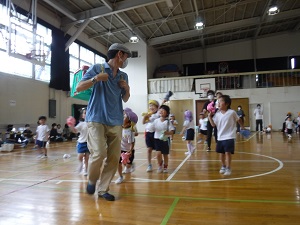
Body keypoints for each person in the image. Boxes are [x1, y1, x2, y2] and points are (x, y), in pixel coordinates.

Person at [76, 43, 131, 201]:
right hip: (96, 118)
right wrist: (95, 79)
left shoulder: (123, 76)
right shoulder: (97, 68)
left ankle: (103, 189)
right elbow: (79, 87)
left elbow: (125, 98)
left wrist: (127, 89)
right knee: (99, 153)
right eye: (126, 56)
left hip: (116, 121)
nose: (126, 60)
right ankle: (92, 180)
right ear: (120, 54)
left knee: (114, 158)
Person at [208, 95, 244, 176]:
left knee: (227, 152)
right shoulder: (217, 114)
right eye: (218, 102)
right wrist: (209, 117)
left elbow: (238, 119)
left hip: (230, 136)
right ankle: (223, 166)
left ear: (227, 104)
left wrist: (242, 127)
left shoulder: (232, 112)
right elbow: (213, 125)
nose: (218, 103)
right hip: (220, 136)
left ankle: (228, 167)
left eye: (220, 101)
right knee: (221, 153)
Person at [115, 109, 138, 184]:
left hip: (127, 151)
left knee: (126, 164)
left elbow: (132, 142)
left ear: (129, 123)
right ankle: (120, 177)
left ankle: (130, 165)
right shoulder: (120, 127)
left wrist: (130, 150)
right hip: (120, 149)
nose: (123, 117)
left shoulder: (130, 132)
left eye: (125, 117)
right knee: (118, 163)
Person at [153, 105, 174, 173]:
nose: (161, 110)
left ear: (167, 113)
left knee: (165, 154)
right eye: (160, 109)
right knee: (158, 154)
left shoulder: (168, 122)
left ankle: (165, 166)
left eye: (163, 110)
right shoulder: (156, 121)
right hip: (157, 139)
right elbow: (152, 128)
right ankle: (160, 165)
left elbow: (172, 131)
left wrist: (167, 133)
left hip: (165, 140)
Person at [68, 108, 90, 176]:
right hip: (82, 142)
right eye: (85, 113)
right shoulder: (81, 124)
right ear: (82, 115)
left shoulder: (93, 124)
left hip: (89, 143)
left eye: (88, 112)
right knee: (80, 156)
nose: (86, 114)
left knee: (87, 158)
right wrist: (71, 125)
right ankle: (80, 164)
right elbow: (75, 130)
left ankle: (86, 170)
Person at [143, 100, 160, 172]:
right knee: (149, 149)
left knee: (158, 151)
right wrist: (145, 117)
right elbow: (143, 122)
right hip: (148, 134)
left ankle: (160, 165)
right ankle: (149, 165)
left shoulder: (158, 114)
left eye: (153, 106)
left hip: (156, 133)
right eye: (150, 106)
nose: (151, 107)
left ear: (157, 107)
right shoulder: (148, 114)